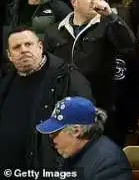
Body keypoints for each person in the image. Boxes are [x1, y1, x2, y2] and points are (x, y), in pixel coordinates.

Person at [43, 0, 139, 146]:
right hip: (65, 106)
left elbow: (129, 46)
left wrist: (111, 16)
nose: (95, 1)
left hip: (99, 107)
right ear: (74, 1)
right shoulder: (54, 31)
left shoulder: (108, 25)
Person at [0, 27, 93, 170]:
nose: (24, 50)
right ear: (9, 55)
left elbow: (84, 129)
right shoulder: (5, 80)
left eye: (28, 44)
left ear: (40, 46)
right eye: (17, 47)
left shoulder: (67, 78)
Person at [35, 97, 132, 180]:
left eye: (55, 133)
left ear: (77, 131)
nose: (51, 138)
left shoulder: (109, 164)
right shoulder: (73, 153)